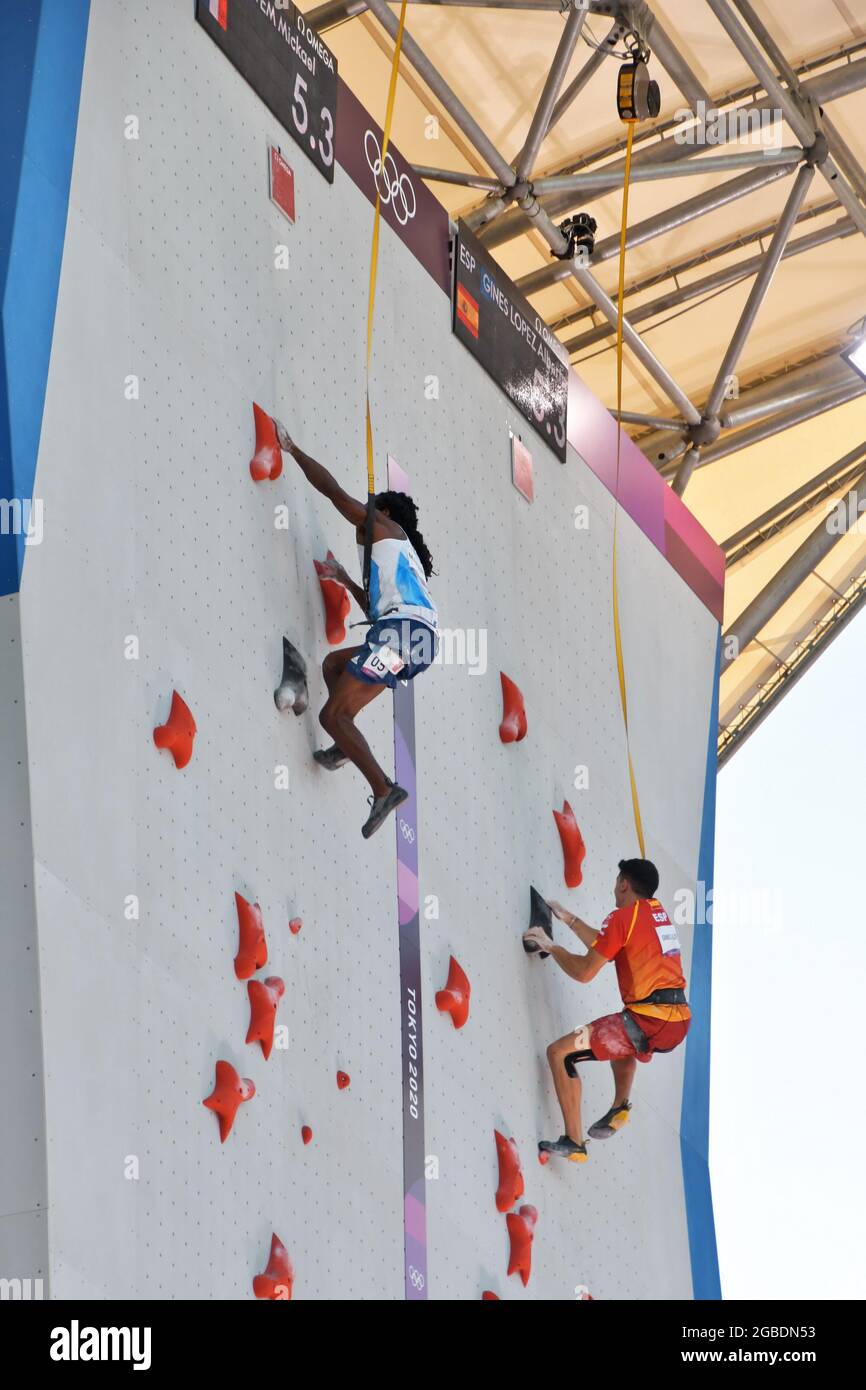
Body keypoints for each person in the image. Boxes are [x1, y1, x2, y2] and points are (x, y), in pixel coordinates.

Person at [274, 420, 438, 839]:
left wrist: (293, 449)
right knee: (333, 665)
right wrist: (347, 579)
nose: (359, 529)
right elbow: (379, 607)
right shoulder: (400, 557)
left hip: (402, 634)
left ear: (380, 513)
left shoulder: (383, 527)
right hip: (412, 638)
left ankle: (383, 788)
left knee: (332, 713)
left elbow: (334, 495)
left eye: (367, 516)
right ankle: (344, 743)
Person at [523, 858, 691, 1163]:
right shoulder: (657, 915)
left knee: (560, 1053)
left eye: (617, 881)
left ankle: (574, 1140)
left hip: (646, 1020)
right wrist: (569, 919)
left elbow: (586, 971)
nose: (615, 887)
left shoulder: (623, 917)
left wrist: (552, 946)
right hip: (676, 1022)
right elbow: (607, 945)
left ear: (624, 884)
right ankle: (619, 1104)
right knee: (624, 1041)